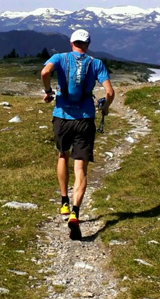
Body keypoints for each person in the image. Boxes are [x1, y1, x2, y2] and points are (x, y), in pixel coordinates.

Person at [40, 29, 115, 240]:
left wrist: (48, 92)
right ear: (88, 44)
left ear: (71, 42)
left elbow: (45, 72)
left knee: (62, 155)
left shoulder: (59, 58)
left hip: (62, 116)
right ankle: (75, 211)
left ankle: (64, 202)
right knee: (80, 166)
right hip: (85, 119)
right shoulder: (96, 63)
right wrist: (106, 107)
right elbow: (109, 92)